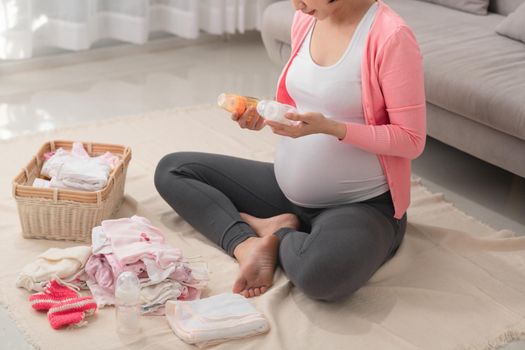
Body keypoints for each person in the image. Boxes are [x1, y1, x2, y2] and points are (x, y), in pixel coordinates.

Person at [154, 0, 426, 302]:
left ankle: (281, 234)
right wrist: (264, 112)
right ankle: (248, 244)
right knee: (173, 169)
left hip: (360, 203)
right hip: (286, 190)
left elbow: (411, 139)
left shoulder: (391, 36)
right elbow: (305, 100)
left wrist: (332, 128)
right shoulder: (307, 19)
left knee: (322, 278)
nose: (296, 4)